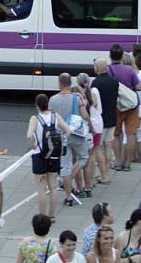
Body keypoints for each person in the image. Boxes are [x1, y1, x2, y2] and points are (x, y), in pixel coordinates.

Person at [49, 73, 90, 207]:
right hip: (76, 134)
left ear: (59, 83)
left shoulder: (53, 100)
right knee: (83, 157)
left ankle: (68, 197)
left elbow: (51, 119)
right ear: (70, 83)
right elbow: (85, 115)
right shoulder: (77, 97)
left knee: (65, 166)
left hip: (61, 136)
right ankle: (71, 177)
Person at [27, 93, 69, 219]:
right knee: (53, 186)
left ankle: (42, 216)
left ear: (37, 106)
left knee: (41, 188)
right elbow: (68, 130)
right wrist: (63, 142)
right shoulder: (55, 116)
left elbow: (29, 135)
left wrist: (33, 145)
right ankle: (52, 215)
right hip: (54, 155)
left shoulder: (35, 118)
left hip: (39, 155)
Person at [92, 58, 119, 179]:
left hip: (100, 120)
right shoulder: (114, 81)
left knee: (97, 148)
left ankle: (103, 175)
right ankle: (107, 173)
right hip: (112, 117)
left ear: (97, 68)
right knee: (108, 146)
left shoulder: (96, 83)